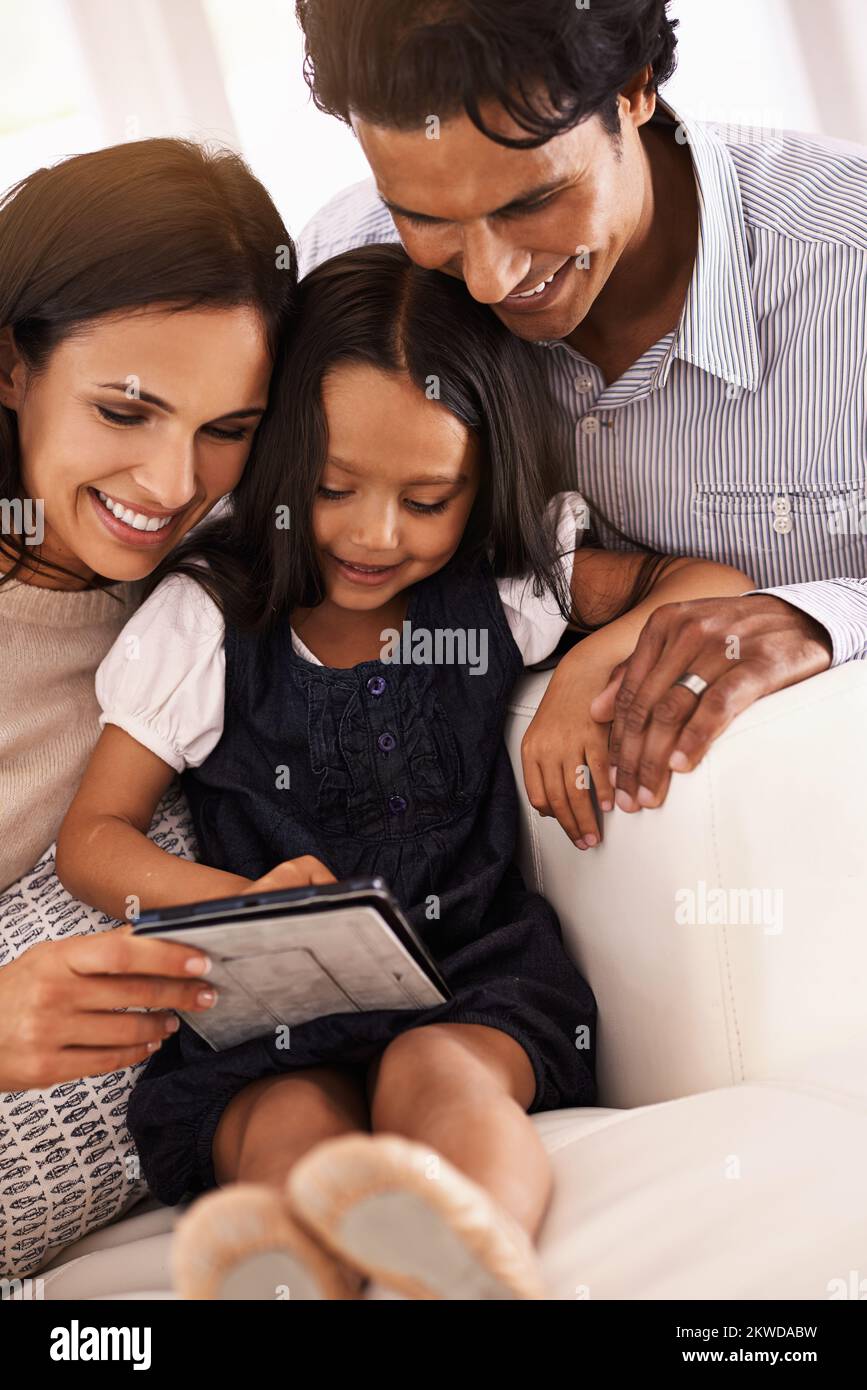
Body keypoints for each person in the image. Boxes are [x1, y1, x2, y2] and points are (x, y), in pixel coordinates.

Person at [57, 245, 754, 1300]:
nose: (375, 535)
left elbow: (706, 582)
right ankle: (288, 1269)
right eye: (334, 487)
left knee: (440, 1075)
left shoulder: (505, 586)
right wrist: (236, 904)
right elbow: (94, 837)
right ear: (284, 459)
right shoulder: (209, 620)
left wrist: (589, 672)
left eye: (428, 499)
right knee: (285, 1121)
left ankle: (465, 1259)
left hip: (467, 971)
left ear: (480, 484)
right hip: (272, 1006)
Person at [294, 0, 867, 837]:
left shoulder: (846, 267)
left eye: (533, 202)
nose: (489, 279)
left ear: (634, 90)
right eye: (424, 217)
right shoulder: (343, 273)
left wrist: (827, 617)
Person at [0, 137, 296, 1275]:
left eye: (227, 430)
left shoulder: (205, 609)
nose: (174, 485)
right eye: (127, 411)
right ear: (14, 366)